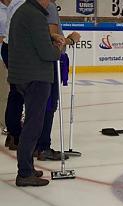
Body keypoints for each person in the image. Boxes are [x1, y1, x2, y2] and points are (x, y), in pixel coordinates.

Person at [8, 0, 62, 186]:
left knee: (32, 123)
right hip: (35, 77)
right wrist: (61, 45)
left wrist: (50, 39)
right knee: (33, 125)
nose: (51, 2)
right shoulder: (35, 16)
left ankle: (28, 167)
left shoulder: (25, 11)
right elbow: (48, 54)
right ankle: (24, 173)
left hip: (23, 75)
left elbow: (31, 42)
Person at [34, 0, 80, 161]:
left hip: (37, 62)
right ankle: (43, 146)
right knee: (49, 104)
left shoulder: (30, 6)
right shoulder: (49, 7)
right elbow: (55, 39)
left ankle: (35, 145)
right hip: (51, 61)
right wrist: (71, 39)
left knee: (38, 104)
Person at [1, 0, 24, 150]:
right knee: (14, 94)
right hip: (11, 51)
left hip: (12, 50)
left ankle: (13, 133)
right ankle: (14, 132)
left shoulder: (19, 3)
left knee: (14, 93)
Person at [0, 0, 9, 134]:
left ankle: (6, 121)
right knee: (4, 91)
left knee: (7, 91)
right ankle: (5, 122)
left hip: (12, 56)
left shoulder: (17, 7)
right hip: (1, 57)